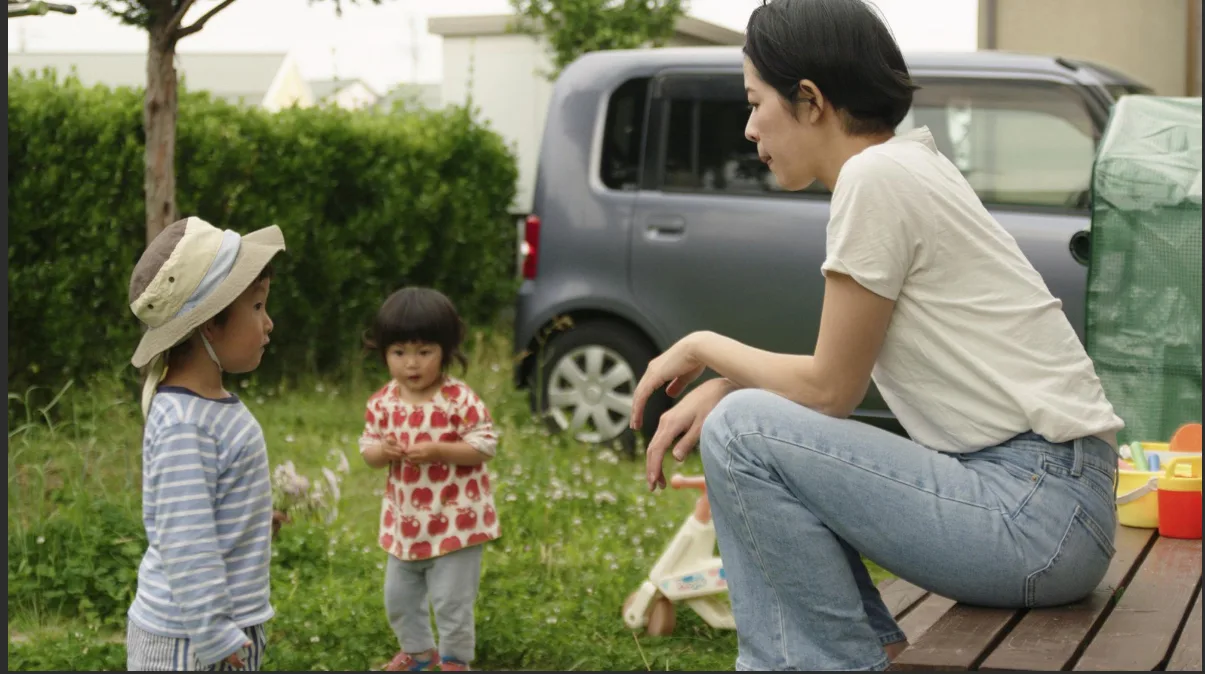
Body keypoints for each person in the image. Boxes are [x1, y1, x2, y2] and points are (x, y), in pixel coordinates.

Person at [628, 0, 1125, 670]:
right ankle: (867, 645)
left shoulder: (875, 178)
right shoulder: (904, 166)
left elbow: (830, 390)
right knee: (745, 422)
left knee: (742, 431)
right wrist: (730, 386)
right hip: (1054, 504)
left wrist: (700, 348)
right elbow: (830, 385)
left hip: (1035, 512)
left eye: (754, 102)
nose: (748, 128)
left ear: (809, 100)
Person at [125, 217, 286, 671]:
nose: (269, 323)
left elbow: (203, 509)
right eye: (257, 306)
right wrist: (215, 633)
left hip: (215, 630)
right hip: (191, 642)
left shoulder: (205, 408)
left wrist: (250, 518)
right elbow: (185, 538)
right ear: (210, 325)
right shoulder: (186, 423)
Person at [359, 287, 501, 672]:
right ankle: (419, 652)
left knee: (452, 602)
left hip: (457, 522)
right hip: (405, 525)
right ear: (383, 352)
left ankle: (455, 660)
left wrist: (440, 450)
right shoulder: (383, 402)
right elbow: (368, 450)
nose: (411, 363)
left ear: (446, 351)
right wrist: (383, 451)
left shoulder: (457, 398)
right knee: (398, 597)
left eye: (424, 352)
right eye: (399, 352)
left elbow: (485, 445)